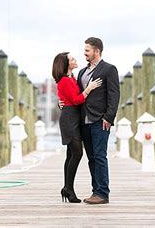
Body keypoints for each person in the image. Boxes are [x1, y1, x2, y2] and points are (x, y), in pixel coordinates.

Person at [52, 52, 102, 203]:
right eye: (72, 59)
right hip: (69, 120)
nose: (75, 60)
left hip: (72, 117)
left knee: (71, 155)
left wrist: (62, 103)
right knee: (77, 153)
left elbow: (66, 98)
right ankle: (68, 189)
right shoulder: (65, 80)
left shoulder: (71, 78)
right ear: (66, 64)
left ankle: (67, 188)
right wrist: (90, 88)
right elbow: (76, 99)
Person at [77, 37, 120, 204]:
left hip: (100, 120)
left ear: (97, 51)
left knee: (100, 156)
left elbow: (114, 95)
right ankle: (95, 190)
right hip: (84, 121)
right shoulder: (82, 72)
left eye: (87, 50)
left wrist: (109, 117)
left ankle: (102, 193)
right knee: (91, 158)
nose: (84, 53)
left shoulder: (109, 69)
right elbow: (79, 95)